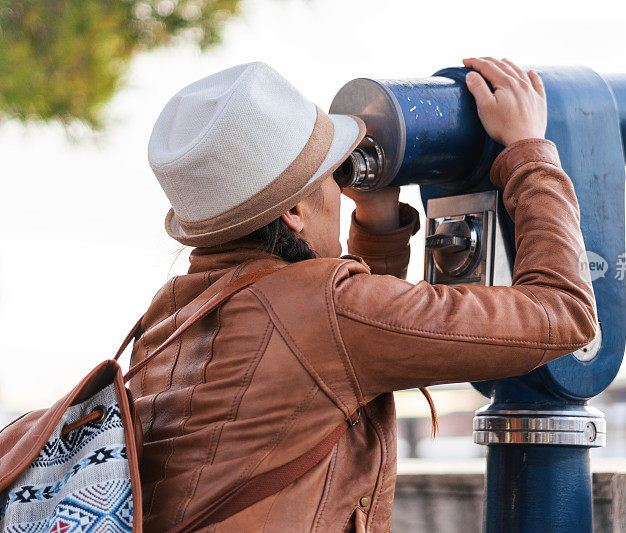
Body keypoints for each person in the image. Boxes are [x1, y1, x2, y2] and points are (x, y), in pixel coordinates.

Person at [133, 56, 598, 532]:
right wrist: (529, 152)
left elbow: (338, 359)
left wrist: (377, 222)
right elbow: (565, 314)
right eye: (335, 175)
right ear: (294, 211)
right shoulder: (321, 312)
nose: (342, 188)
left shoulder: (169, 317)